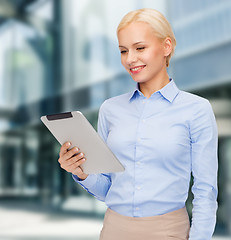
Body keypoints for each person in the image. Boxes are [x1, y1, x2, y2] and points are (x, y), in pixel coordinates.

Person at [58, 8, 218, 240]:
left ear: (166, 47)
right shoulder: (110, 109)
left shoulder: (197, 110)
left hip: (169, 232)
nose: (130, 59)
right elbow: (107, 190)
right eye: (123, 51)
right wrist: (81, 172)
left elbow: (205, 192)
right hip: (113, 230)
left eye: (140, 48)